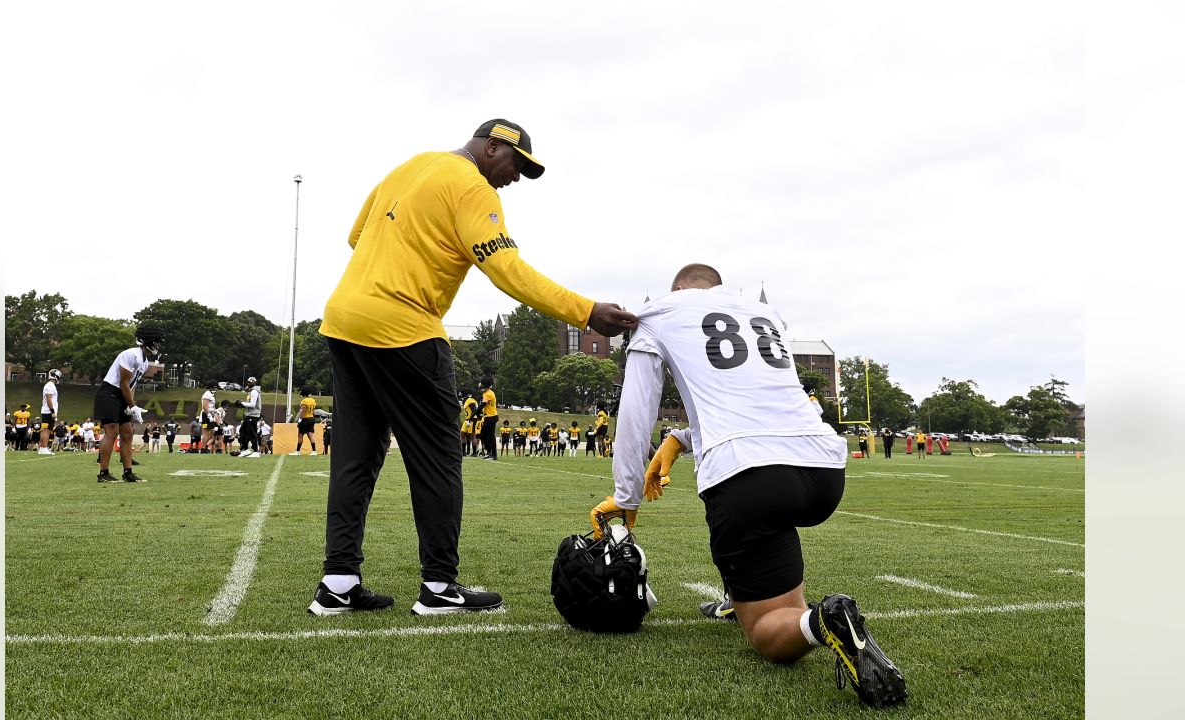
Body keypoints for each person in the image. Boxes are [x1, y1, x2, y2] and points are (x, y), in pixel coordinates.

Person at [308, 118, 637, 617]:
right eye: (516, 165)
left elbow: (357, 236)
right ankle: (440, 587)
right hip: (405, 328)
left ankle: (338, 582)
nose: (516, 179)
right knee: (439, 460)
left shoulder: (411, 165)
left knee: (354, 457)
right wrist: (587, 311)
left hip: (344, 320)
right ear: (491, 147)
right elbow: (507, 269)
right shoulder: (472, 186)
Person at [590, 263, 906, 708]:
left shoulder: (658, 312)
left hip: (752, 477)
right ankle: (736, 598)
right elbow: (756, 395)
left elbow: (636, 411)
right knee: (765, 544)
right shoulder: (765, 313)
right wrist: (680, 440)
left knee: (768, 630)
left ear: (677, 288)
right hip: (823, 471)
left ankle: (824, 622)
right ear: (717, 288)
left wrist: (626, 499)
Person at [94, 325, 163, 483]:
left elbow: (131, 386)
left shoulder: (145, 361)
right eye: (156, 342)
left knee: (127, 433)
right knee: (111, 432)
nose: (158, 345)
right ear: (148, 340)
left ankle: (128, 472)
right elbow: (124, 382)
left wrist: (131, 406)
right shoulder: (131, 354)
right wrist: (131, 405)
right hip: (109, 392)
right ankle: (103, 473)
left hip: (121, 394)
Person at [237, 377, 263, 457]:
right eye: (248, 382)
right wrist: (243, 405)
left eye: (250, 382)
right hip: (249, 414)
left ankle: (255, 451)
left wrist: (242, 403)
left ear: (254, 383)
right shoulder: (251, 391)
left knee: (252, 433)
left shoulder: (254, 391)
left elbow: (252, 404)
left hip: (253, 415)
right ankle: (245, 449)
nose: (249, 383)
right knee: (242, 431)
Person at [38, 368, 62, 455]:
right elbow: (49, 399)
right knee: (46, 430)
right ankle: (43, 448)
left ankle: (42, 448)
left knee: (45, 430)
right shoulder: (50, 386)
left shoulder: (50, 385)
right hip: (48, 411)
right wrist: (52, 411)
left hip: (46, 411)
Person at [476, 377, 499, 460]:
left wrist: (475, 413)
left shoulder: (489, 393)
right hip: (487, 417)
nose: (480, 384)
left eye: (482, 383)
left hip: (492, 417)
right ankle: (489, 453)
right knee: (482, 435)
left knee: (491, 436)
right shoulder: (486, 392)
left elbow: (482, 405)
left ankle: (494, 454)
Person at [294, 387, 318, 456]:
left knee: (300, 435)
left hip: (305, 419)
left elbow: (303, 413)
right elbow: (313, 412)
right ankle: (314, 451)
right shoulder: (313, 400)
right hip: (311, 418)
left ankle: (297, 451)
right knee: (311, 435)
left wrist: (299, 421)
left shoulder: (304, 401)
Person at [200, 384, 218, 454]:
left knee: (212, 432)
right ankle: (203, 448)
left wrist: (214, 411)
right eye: (214, 387)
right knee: (205, 433)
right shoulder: (207, 395)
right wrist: (208, 415)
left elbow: (211, 406)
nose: (216, 389)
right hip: (205, 416)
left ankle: (205, 446)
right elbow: (205, 406)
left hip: (209, 415)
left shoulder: (211, 394)